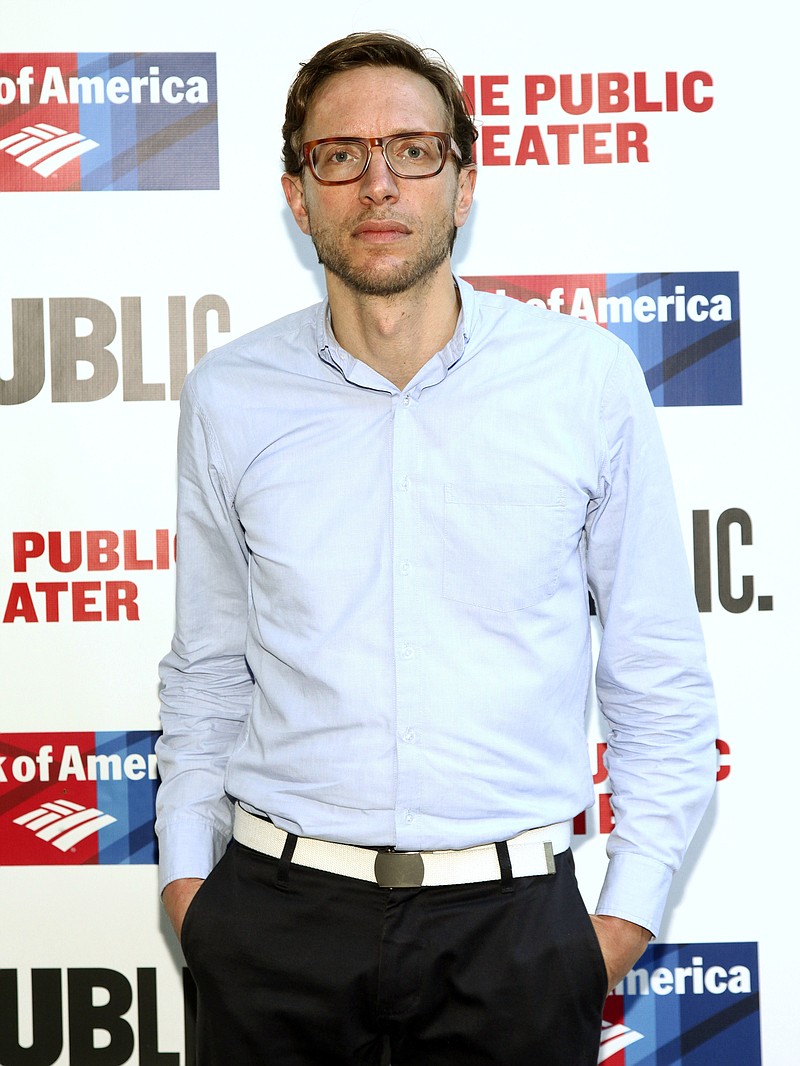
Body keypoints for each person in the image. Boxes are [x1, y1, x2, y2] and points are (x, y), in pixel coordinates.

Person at [155, 30, 717, 1066]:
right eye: (340, 155)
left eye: (412, 151)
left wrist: (616, 923)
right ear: (297, 192)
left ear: (462, 183)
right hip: (271, 929)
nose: (378, 182)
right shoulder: (229, 395)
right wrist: (193, 892)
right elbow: (207, 667)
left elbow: (655, 673)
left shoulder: (583, 380)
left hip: (516, 940)